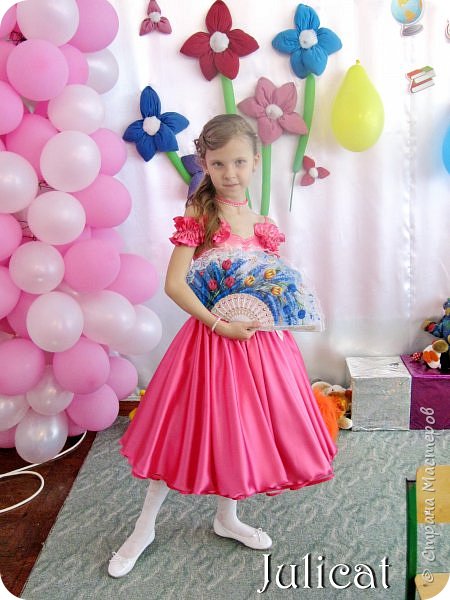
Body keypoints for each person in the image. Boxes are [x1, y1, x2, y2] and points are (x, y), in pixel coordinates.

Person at [108, 114, 336, 578]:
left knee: (240, 431)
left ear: (255, 161)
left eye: (238, 162)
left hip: (260, 347)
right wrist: (218, 324)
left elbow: (267, 288)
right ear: (205, 164)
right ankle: (143, 527)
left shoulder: (264, 225)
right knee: (180, 430)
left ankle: (227, 517)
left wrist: (263, 318)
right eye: (218, 164)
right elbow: (175, 285)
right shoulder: (200, 215)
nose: (229, 173)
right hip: (209, 342)